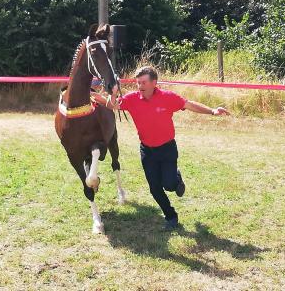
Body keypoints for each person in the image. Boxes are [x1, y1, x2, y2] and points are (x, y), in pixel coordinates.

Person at [97, 66, 230, 230]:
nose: (140, 85)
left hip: (167, 149)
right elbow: (112, 106)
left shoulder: (168, 97)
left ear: (154, 82)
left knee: (169, 185)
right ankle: (171, 217)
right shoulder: (132, 99)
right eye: (138, 82)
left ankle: (176, 178)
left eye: (144, 82)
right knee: (154, 188)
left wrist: (212, 111)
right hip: (147, 151)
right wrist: (113, 93)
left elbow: (189, 105)